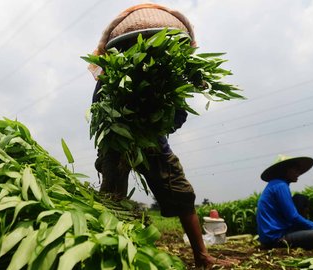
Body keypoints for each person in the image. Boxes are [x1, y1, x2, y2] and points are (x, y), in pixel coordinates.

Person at [88, 3, 226, 268]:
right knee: (113, 199)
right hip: (117, 144)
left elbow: (177, 116)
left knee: (181, 194)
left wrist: (158, 120)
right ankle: (111, 255)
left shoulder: (167, 77)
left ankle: (202, 256)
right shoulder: (111, 77)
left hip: (154, 142)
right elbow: (99, 112)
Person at [256, 155, 313, 250]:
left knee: (300, 199)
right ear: (286, 170)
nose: (298, 173)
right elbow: (293, 217)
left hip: (272, 235)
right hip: (276, 238)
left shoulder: (276, 184)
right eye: (296, 170)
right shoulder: (281, 186)